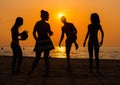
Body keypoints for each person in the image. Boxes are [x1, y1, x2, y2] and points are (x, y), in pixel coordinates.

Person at [29, 10, 54, 75]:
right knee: (39, 57)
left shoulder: (47, 24)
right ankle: (32, 70)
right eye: (47, 16)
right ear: (44, 16)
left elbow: (49, 33)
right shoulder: (38, 23)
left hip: (45, 41)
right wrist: (36, 39)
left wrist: (51, 33)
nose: (48, 17)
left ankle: (46, 72)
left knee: (44, 57)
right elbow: (34, 33)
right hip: (41, 41)